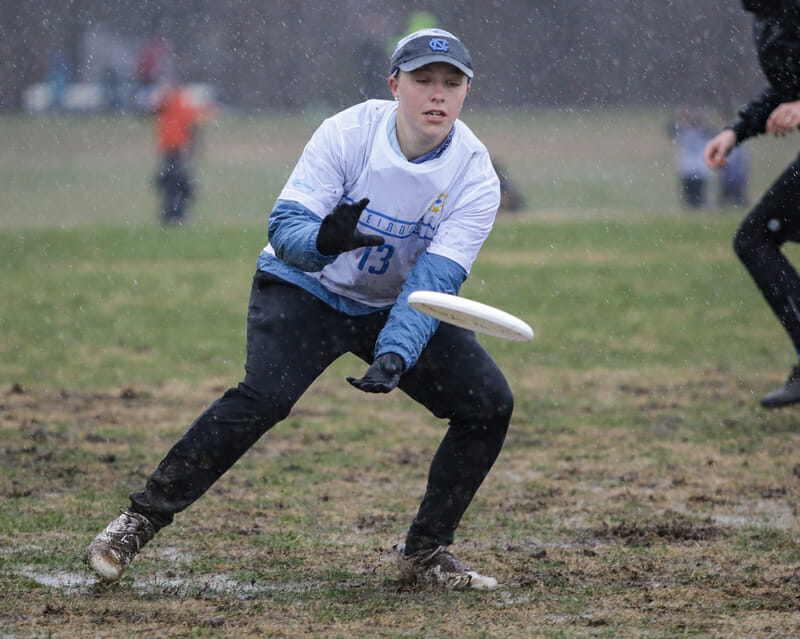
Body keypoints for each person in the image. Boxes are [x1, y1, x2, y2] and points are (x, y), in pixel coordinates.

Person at [86, 28, 512, 591]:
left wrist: (395, 352)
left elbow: (437, 279)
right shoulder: (347, 133)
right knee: (263, 398)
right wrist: (325, 242)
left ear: (466, 93)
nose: (437, 94)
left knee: (488, 404)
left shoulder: (475, 174)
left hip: (392, 305)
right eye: (423, 80)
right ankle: (137, 521)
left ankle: (424, 553)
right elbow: (285, 229)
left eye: (450, 83)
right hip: (305, 287)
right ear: (395, 85)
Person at [704, 0, 800, 407]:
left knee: (755, 238)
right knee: (755, 239)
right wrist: (737, 130)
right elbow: (786, 89)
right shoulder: (767, 16)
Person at [151, 82, 213, 225]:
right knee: (175, 182)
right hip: (173, 149)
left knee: (173, 182)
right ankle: (174, 212)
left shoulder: (176, 102)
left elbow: (190, 126)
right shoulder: (178, 102)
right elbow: (192, 126)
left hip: (175, 149)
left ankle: (173, 212)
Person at [669, 107, 714, 209]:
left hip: (700, 169)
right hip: (687, 169)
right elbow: (670, 130)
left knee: (699, 197)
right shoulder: (683, 130)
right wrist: (679, 118)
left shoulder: (703, 132)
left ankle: (698, 211)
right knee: (689, 198)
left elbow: (712, 131)